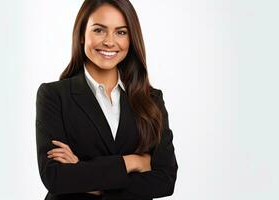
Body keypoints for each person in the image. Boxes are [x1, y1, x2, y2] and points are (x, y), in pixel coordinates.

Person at [35, 0, 178, 199]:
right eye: (99, 30)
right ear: (82, 35)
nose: (110, 42)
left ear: (131, 38)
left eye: (121, 32)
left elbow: (165, 180)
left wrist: (83, 174)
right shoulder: (54, 96)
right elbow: (56, 177)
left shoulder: (151, 99)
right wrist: (133, 162)